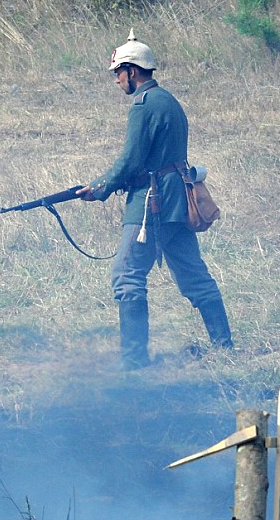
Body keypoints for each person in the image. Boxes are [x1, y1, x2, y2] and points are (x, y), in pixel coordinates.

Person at [77, 30, 233, 370]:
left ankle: (134, 361)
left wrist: (100, 187)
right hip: (178, 202)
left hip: (152, 204)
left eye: (118, 72)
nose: (117, 80)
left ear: (132, 71)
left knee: (126, 275)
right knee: (195, 277)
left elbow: (131, 161)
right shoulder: (168, 100)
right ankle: (225, 347)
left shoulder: (143, 106)